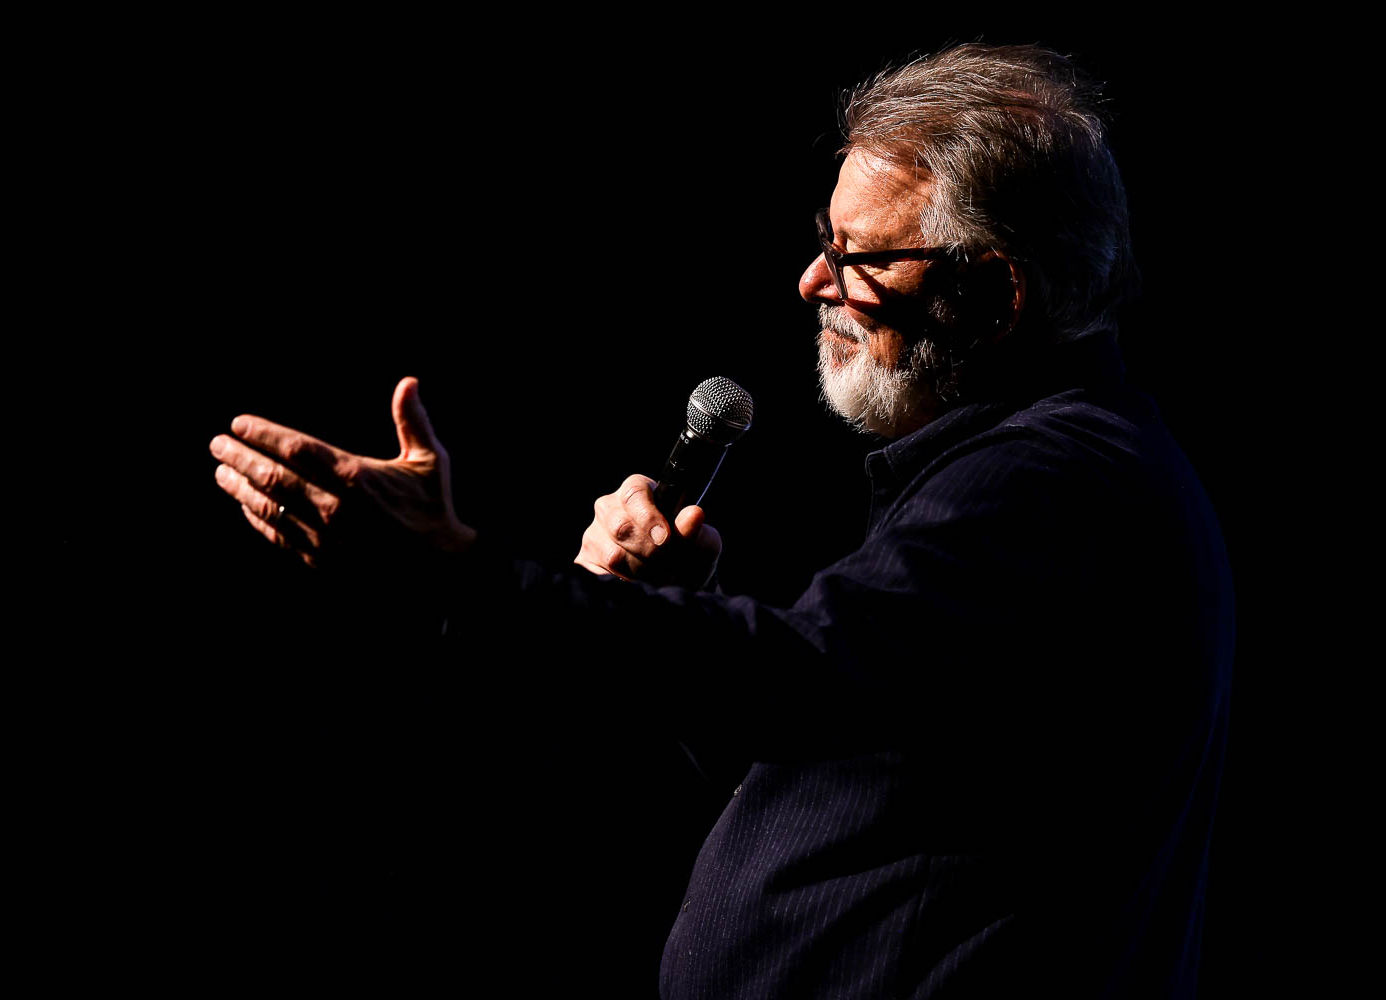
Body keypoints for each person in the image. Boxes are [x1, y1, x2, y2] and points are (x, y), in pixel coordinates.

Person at [209, 44, 1232, 999]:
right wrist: (663, 611)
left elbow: (800, 678)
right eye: (823, 238)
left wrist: (452, 568)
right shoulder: (1061, 469)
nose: (814, 280)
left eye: (858, 255)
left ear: (995, 293)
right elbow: (843, 757)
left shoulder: (1051, 480)